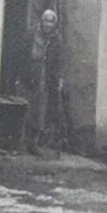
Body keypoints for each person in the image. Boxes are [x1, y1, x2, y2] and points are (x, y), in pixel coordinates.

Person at [19, 9, 64, 154]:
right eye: (46, 20)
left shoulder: (56, 39)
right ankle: (20, 142)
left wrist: (58, 79)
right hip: (28, 75)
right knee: (24, 108)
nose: (48, 24)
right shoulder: (31, 35)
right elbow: (21, 55)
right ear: (41, 21)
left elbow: (57, 61)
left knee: (40, 112)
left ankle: (34, 143)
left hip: (45, 78)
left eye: (52, 21)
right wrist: (20, 76)